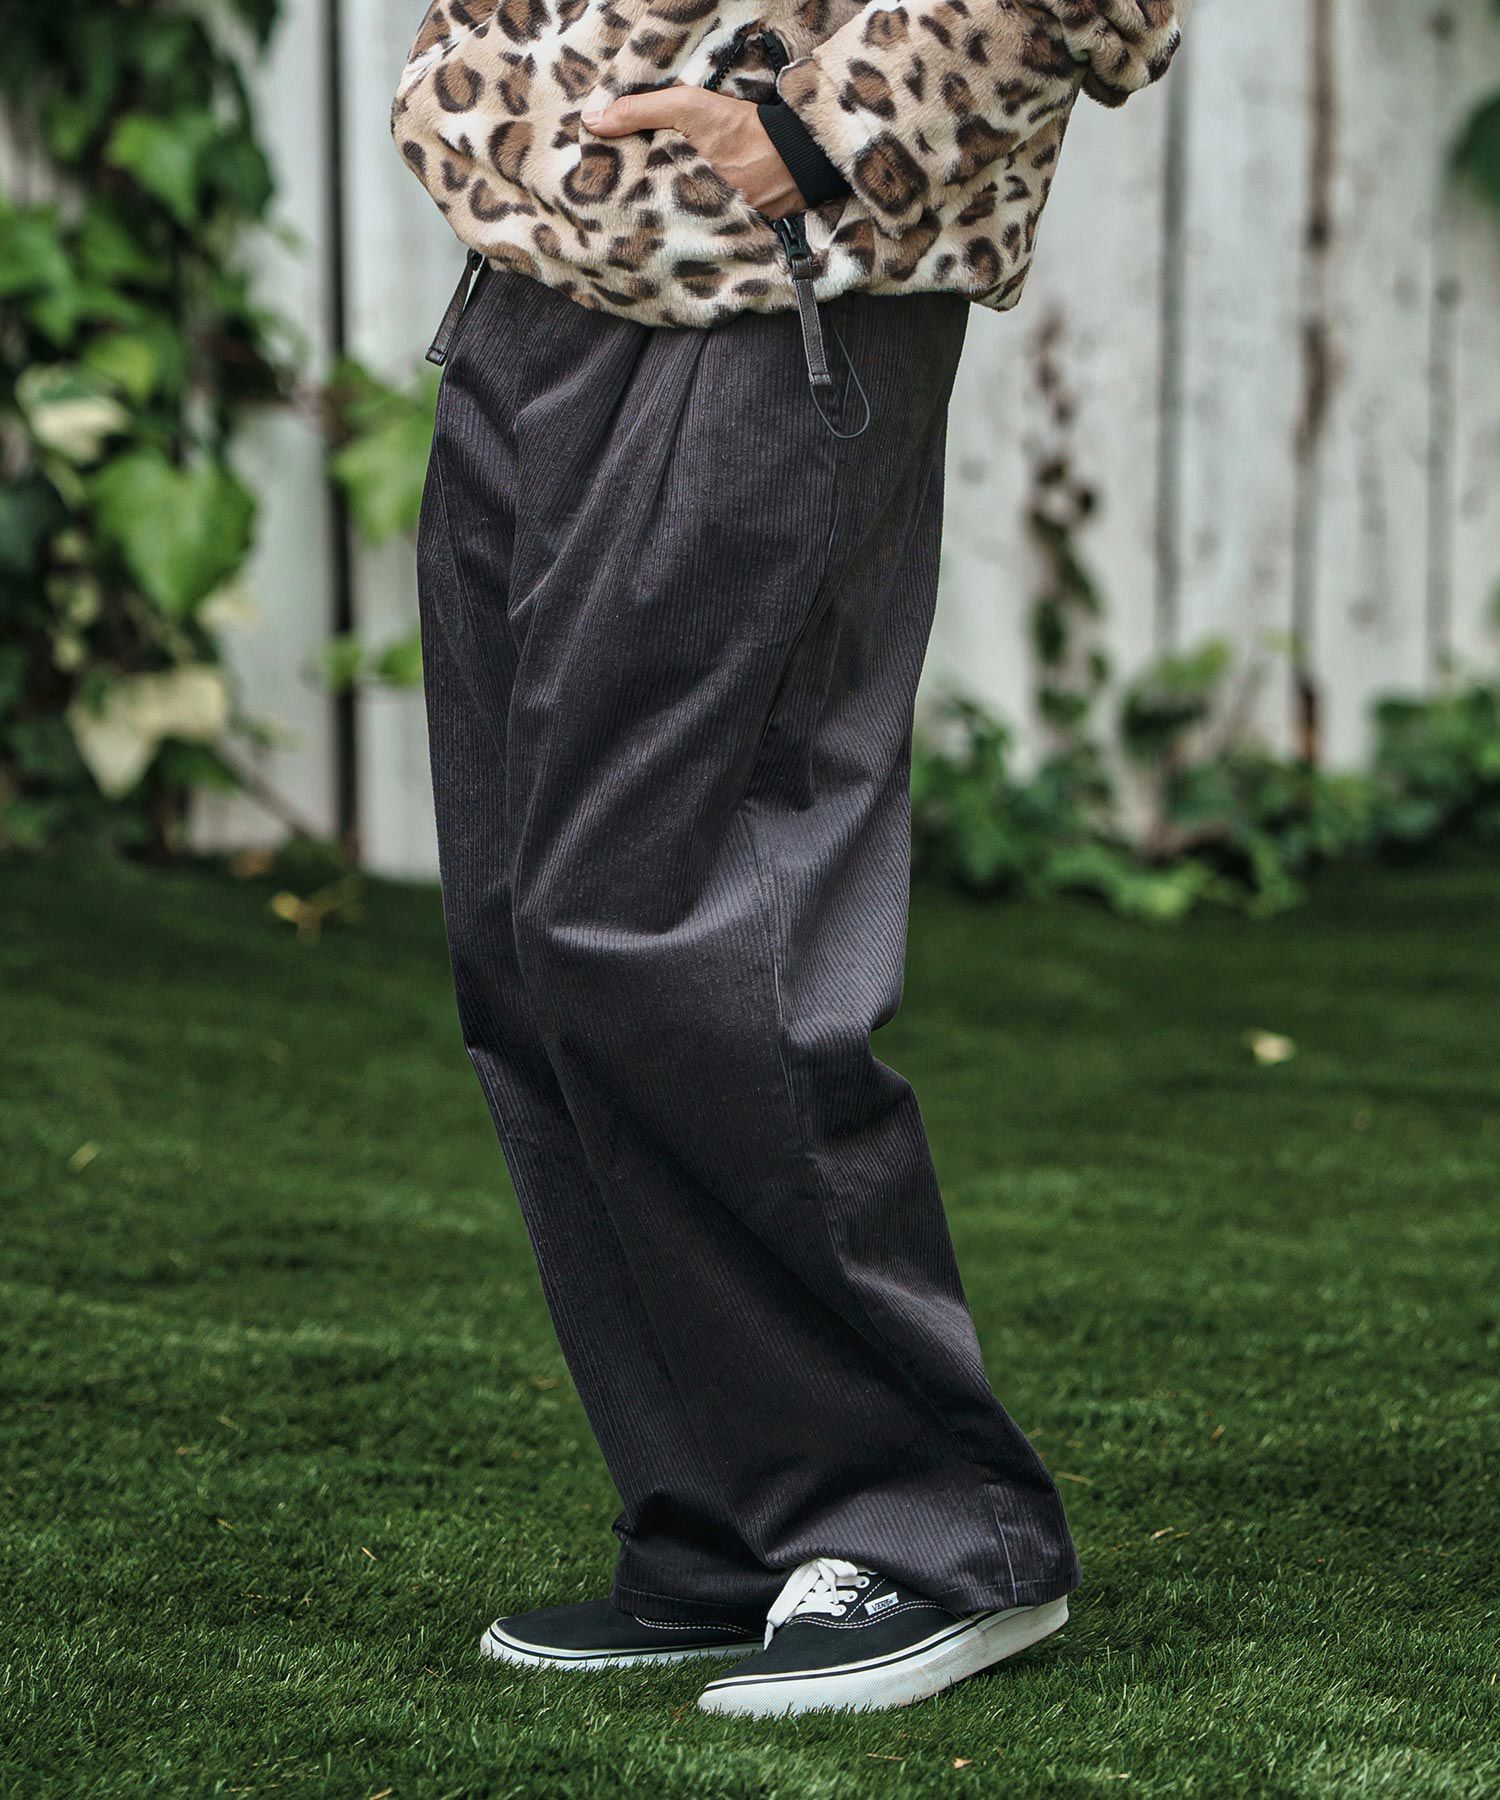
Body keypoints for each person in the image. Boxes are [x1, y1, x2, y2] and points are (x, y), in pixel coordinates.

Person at [394, 0, 1186, 1717]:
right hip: (536, 263)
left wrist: (830, 130)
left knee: (679, 915)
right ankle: (730, 1523)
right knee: (529, 938)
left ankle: (932, 1531)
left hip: (776, 272)